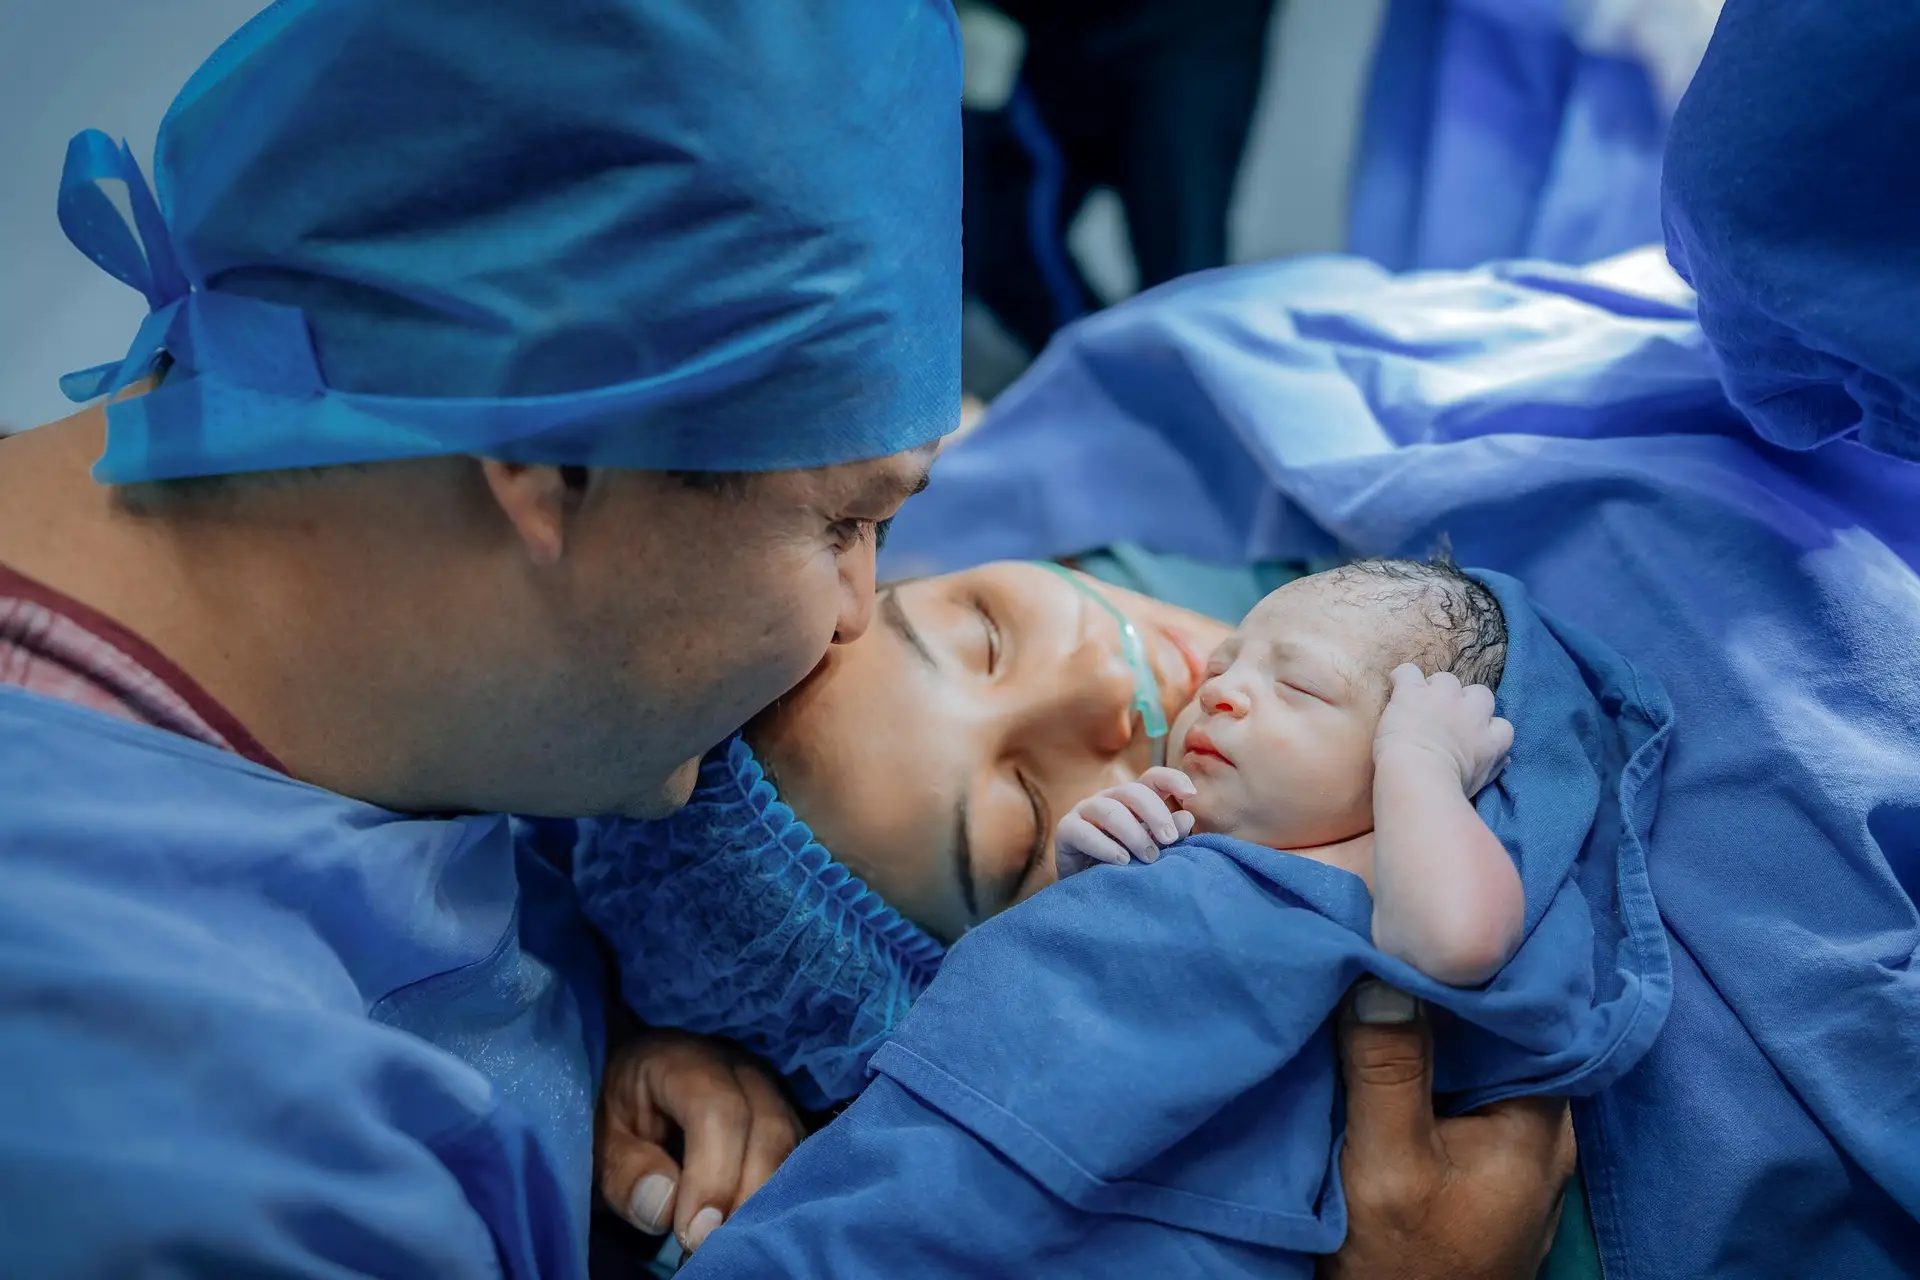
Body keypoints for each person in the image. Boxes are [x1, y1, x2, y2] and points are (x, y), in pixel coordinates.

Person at [0, 0, 958, 1272]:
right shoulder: (195, 1143)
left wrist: (590, 1040)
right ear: (554, 449)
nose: (857, 617)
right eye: (848, 518)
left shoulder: (394, 668)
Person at [1056, 560, 1523, 989]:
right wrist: (1087, 884)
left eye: (1297, 686)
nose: (1216, 691)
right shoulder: (1166, 841)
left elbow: (1456, 945)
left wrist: (1426, 761)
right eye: (1215, 671)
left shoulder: (1389, 864)